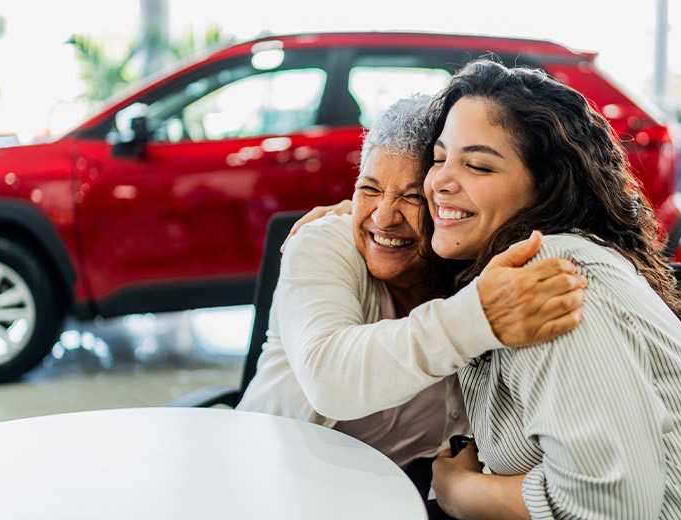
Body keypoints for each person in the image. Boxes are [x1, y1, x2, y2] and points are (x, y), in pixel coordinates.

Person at [424, 61, 681, 519]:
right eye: (438, 158)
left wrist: (461, 492)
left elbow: (610, 506)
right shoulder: (505, 278)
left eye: (477, 165)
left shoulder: (552, 273)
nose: (440, 182)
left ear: (545, 187)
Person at [236, 95, 586, 500]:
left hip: (390, 500)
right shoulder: (325, 242)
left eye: (413, 198)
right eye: (369, 188)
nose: (384, 216)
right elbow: (329, 376)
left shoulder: (476, 265)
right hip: (268, 489)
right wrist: (476, 318)